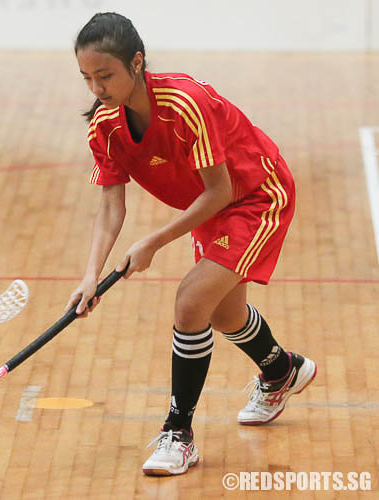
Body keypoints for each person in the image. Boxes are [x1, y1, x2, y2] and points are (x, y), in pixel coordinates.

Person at [66, 12, 316, 476]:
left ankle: (178, 433)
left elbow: (221, 190)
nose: (97, 89)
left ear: (136, 63)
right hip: (210, 205)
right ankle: (282, 370)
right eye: (87, 78)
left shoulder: (184, 102)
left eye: (105, 76)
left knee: (190, 303)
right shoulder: (104, 124)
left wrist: (155, 242)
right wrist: (89, 278)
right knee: (220, 313)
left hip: (256, 195)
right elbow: (109, 207)